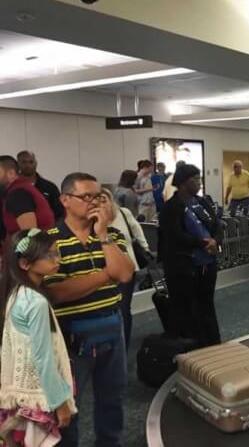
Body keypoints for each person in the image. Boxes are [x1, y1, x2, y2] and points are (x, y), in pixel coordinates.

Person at [43, 172, 134, 447]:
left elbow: (126, 274)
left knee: (113, 398)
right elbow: (57, 292)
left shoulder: (111, 234)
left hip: (111, 326)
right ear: (65, 200)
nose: (94, 202)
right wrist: (107, 275)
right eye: (86, 197)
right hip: (71, 336)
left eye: (98, 196)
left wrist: (103, 234)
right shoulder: (49, 241)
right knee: (68, 405)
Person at [0, 229, 77, 445]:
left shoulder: (16, 293)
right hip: (39, 399)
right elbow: (43, 357)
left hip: (19, 395)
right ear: (25, 264)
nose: (57, 260)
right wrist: (59, 402)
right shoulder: (35, 301)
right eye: (50, 255)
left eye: (57, 253)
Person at [159, 164, 223, 346]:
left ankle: (213, 341)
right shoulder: (172, 207)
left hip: (207, 263)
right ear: (184, 182)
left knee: (206, 304)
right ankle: (195, 343)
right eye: (196, 179)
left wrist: (215, 241)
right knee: (188, 307)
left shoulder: (201, 202)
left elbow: (216, 225)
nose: (199, 183)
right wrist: (203, 243)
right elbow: (175, 235)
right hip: (185, 267)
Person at [100, 187, 150, 350]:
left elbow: (137, 230)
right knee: (109, 306)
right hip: (106, 270)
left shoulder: (123, 213)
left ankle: (123, 343)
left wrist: (145, 247)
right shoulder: (94, 219)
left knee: (123, 306)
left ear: (111, 199)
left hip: (129, 266)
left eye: (105, 198)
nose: (102, 203)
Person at [0, 155, 54, 239]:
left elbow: (30, 235)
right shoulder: (19, 189)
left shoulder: (18, 194)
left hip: (37, 250)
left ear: (11, 174)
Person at [17, 151, 64, 221]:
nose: (28, 165)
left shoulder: (49, 187)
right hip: (18, 230)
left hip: (47, 230)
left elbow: (59, 213)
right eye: (24, 162)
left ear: (36, 163)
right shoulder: (13, 187)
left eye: (31, 162)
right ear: (18, 164)